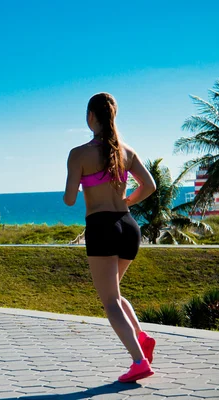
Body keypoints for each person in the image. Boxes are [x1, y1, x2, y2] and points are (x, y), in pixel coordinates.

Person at [63, 92, 157, 383]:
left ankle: (139, 361)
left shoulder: (78, 154)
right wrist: (126, 202)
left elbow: (68, 200)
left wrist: (81, 184)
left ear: (91, 117)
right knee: (114, 294)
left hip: (101, 226)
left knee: (110, 302)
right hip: (128, 226)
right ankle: (141, 338)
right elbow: (150, 186)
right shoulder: (127, 152)